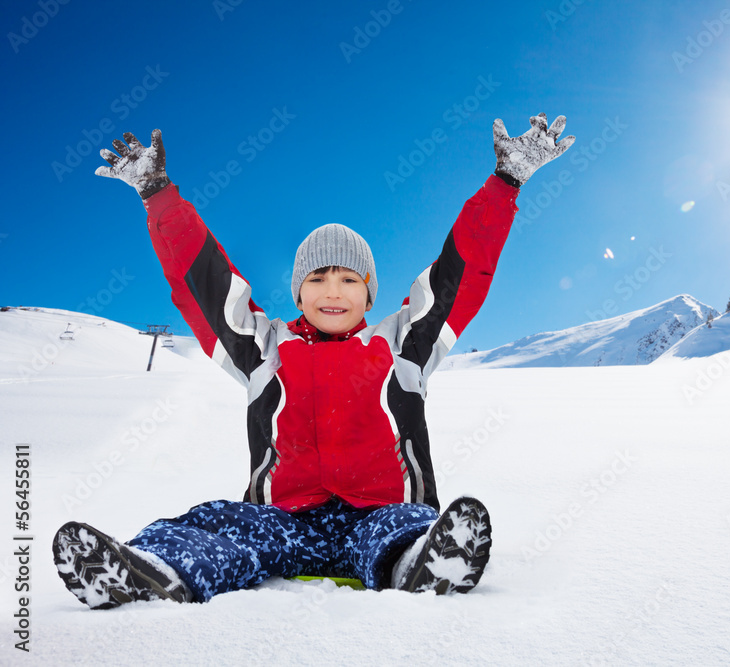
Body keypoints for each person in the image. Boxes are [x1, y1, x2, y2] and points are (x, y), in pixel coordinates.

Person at [51, 113, 575, 609]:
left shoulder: (403, 345)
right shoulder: (264, 351)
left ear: (370, 296)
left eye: (349, 280)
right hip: (285, 520)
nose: (333, 291)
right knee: (212, 523)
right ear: (298, 295)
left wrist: (506, 183)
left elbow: (459, 274)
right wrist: (158, 196)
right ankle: (153, 572)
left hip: (381, 513)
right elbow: (206, 285)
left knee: (400, 530)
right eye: (317, 279)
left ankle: (424, 564)